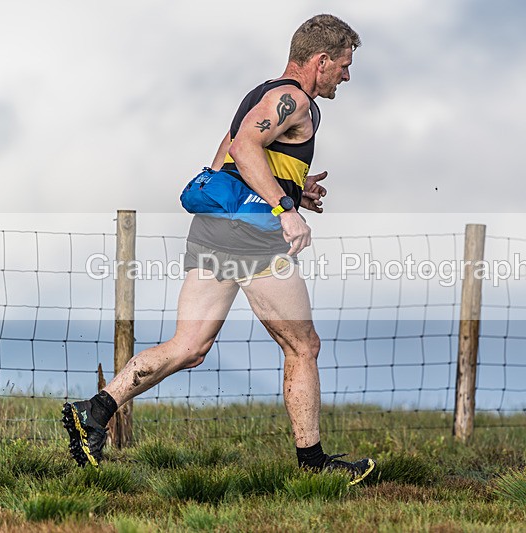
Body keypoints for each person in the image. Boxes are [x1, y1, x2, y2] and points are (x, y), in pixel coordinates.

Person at [62, 14, 375, 485]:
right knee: (302, 344)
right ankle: (315, 467)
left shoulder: (262, 94)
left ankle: (95, 410)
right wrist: (284, 207)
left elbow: (224, 161)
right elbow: (248, 147)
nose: (347, 77)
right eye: (344, 66)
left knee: (189, 346)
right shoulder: (293, 101)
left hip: (216, 230)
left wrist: (295, 185)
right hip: (252, 237)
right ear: (321, 60)